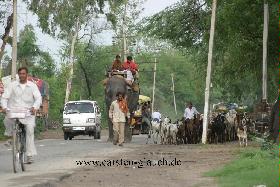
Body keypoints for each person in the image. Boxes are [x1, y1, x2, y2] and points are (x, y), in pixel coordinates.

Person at [1, 67, 42, 164]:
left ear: (27, 75)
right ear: (18, 75)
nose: (21, 75)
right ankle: (12, 136)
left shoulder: (32, 86)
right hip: (14, 110)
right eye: (20, 73)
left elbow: (38, 98)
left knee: (30, 130)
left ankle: (29, 155)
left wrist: (34, 107)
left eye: (23, 73)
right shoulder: (12, 85)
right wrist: (4, 107)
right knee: (7, 120)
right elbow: (4, 97)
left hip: (28, 112)